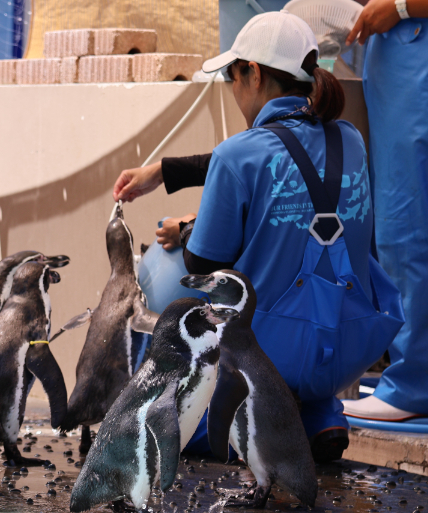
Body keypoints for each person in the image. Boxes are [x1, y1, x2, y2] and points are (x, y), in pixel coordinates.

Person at [113, 10, 389, 462]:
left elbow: (203, 263)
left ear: (254, 73)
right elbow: (279, 155)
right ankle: (322, 413)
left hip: (269, 352)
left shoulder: (239, 155)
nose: (232, 88)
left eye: (232, 77)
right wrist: (166, 171)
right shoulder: (350, 140)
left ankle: (267, 422)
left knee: (167, 421)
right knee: (310, 278)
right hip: (347, 344)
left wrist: (186, 230)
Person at [340, 0, 428, 423]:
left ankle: (414, 384)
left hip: (413, 53)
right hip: (401, 57)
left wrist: (400, 7)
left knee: (406, 223)